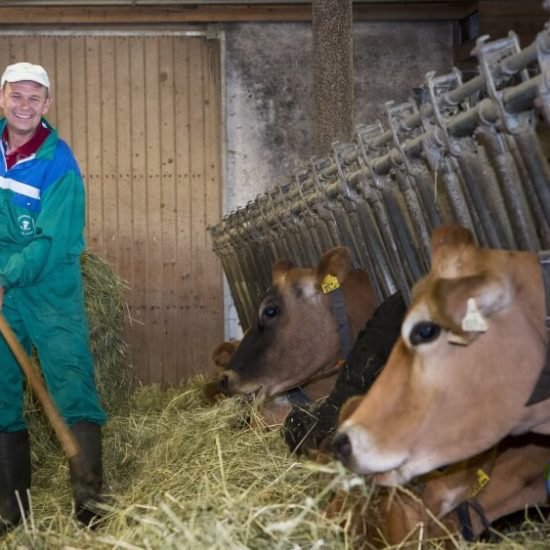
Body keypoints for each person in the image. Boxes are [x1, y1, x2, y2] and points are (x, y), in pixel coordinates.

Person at [0, 62, 106, 533]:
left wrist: (7, 275)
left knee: (71, 385)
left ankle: (88, 507)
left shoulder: (59, 162)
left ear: (47, 104)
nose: (24, 106)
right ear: (2, 98)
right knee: (0, 393)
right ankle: (11, 511)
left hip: (49, 290)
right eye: (16, 95)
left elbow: (52, 238)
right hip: (4, 293)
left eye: (34, 98)